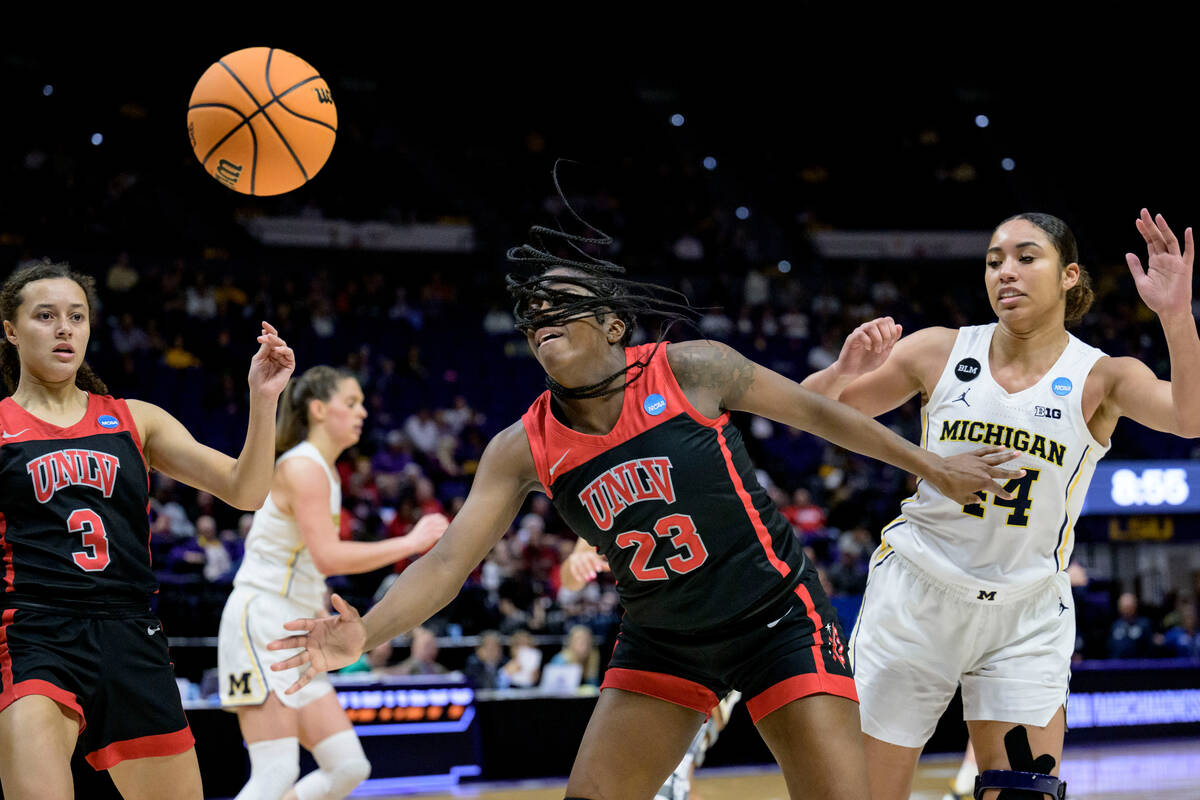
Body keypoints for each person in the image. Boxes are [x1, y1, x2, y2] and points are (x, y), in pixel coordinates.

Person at [267, 184, 1018, 800]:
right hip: (665, 639)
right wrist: (365, 633)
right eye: (531, 317)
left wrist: (933, 465)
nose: (541, 322)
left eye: (560, 306)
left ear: (614, 323)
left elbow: (822, 413)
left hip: (776, 620)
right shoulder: (520, 446)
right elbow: (446, 563)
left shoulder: (696, 369)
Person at [800, 209, 1200, 800]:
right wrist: (841, 371)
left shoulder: (1102, 376)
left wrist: (1174, 316)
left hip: (1027, 611)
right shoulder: (938, 350)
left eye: (1025, 257)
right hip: (915, 598)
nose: (1005, 272)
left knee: (1023, 792)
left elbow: (1188, 417)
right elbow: (811, 412)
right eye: (994, 261)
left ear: (1069, 276)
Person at [0, 261, 294, 800]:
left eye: (76, 316)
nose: (65, 328)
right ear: (12, 330)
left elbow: (245, 490)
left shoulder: (135, 418)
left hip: (131, 633)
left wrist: (263, 399)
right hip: (34, 633)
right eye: (45, 316)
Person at [216, 364, 448, 800]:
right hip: (261, 619)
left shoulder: (324, 470)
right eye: (351, 402)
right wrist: (410, 541)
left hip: (297, 623)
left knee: (348, 767)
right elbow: (327, 554)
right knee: (275, 772)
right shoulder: (303, 466)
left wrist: (320, 608)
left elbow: (307, 563)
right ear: (319, 410)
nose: (362, 412)